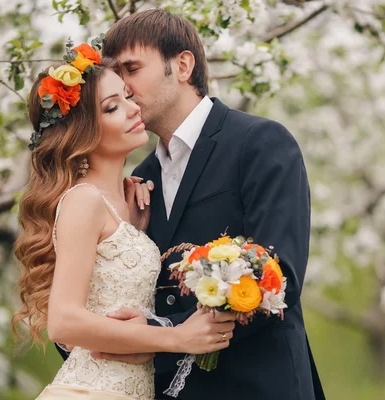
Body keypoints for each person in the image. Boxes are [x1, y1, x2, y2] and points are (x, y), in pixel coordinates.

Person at [82, 9, 326, 400]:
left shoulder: (261, 143)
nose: (123, 88)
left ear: (182, 65)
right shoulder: (139, 179)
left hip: (260, 387)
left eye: (131, 69)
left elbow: (280, 278)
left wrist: (160, 336)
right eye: (116, 75)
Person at [11, 43, 236, 399]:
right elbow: (64, 323)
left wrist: (137, 227)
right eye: (113, 107)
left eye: (128, 97)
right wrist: (176, 337)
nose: (134, 110)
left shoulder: (127, 201)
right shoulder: (83, 200)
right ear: (82, 131)